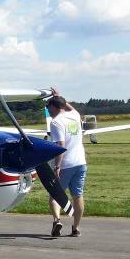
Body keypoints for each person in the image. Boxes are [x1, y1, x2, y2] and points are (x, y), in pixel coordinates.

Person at [47, 90, 87, 237]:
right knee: (78, 196)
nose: (48, 110)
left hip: (65, 164)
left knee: (54, 196)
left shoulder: (56, 122)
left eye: (48, 107)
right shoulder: (75, 115)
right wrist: (58, 97)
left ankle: (57, 220)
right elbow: (67, 107)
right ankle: (76, 228)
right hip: (80, 162)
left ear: (54, 107)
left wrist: (57, 166)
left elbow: (60, 145)